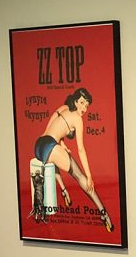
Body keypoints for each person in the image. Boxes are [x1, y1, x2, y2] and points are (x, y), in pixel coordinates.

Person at [33, 87, 114, 232]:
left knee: (57, 157)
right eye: (82, 103)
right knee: (79, 175)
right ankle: (104, 215)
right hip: (50, 147)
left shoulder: (63, 107)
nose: (84, 108)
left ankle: (64, 191)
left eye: (87, 105)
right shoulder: (78, 119)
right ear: (76, 101)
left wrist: (61, 144)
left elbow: (50, 128)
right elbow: (81, 149)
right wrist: (89, 175)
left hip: (39, 144)